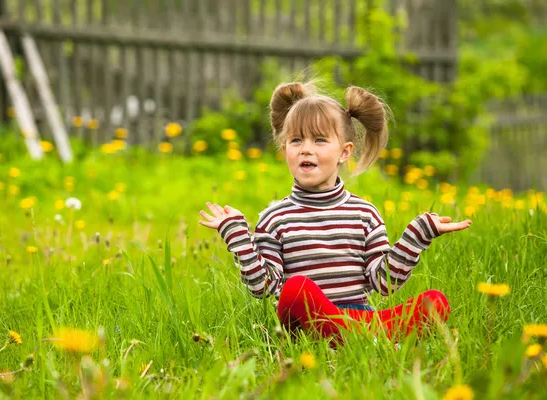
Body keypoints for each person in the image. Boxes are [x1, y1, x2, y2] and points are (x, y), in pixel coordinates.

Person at [198, 82, 472, 342]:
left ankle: (354, 335)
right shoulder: (275, 218)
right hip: (305, 325)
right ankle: (370, 337)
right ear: (284, 150)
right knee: (295, 289)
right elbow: (264, 287)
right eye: (296, 140)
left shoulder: (365, 214)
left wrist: (417, 235)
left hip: (358, 315)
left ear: (344, 152)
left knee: (434, 301)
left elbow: (384, 283)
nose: (306, 149)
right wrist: (236, 235)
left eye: (319, 140)